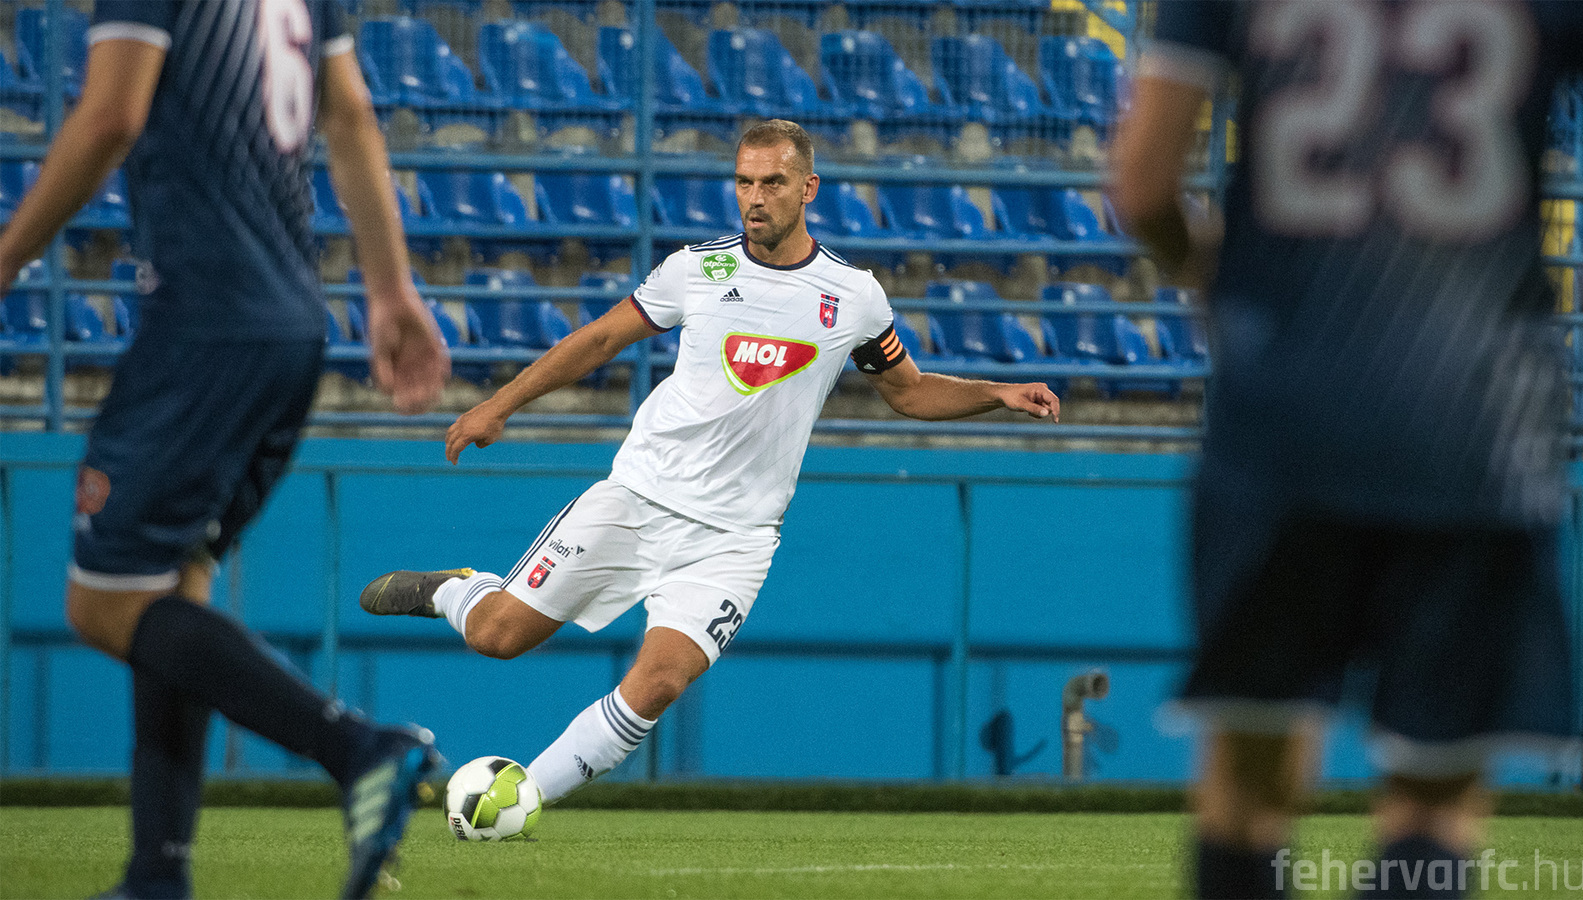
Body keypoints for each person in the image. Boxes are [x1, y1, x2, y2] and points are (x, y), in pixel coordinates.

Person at [361, 119, 1060, 809]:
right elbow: (601, 339)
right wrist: (500, 405)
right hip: (638, 499)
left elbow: (909, 390)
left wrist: (995, 393)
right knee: (498, 636)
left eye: (773, 183)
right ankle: (455, 590)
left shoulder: (854, 296)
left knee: (658, 683)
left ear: (809, 188)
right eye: (744, 182)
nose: (755, 198)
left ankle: (520, 800)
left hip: (736, 538)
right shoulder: (696, 269)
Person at [1109, 2, 1583, 898]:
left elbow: (1142, 185)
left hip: (1284, 414)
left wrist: (1218, 284)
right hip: (1479, 422)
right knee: (1434, 795)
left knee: (1248, 783)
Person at [0, 2, 453, 897]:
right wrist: (391, 291)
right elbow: (351, 116)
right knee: (174, 589)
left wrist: (8, 255)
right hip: (292, 326)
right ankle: (156, 873)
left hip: (202, 323)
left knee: (102, 606)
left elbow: (111, 115)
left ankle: (359, 748)